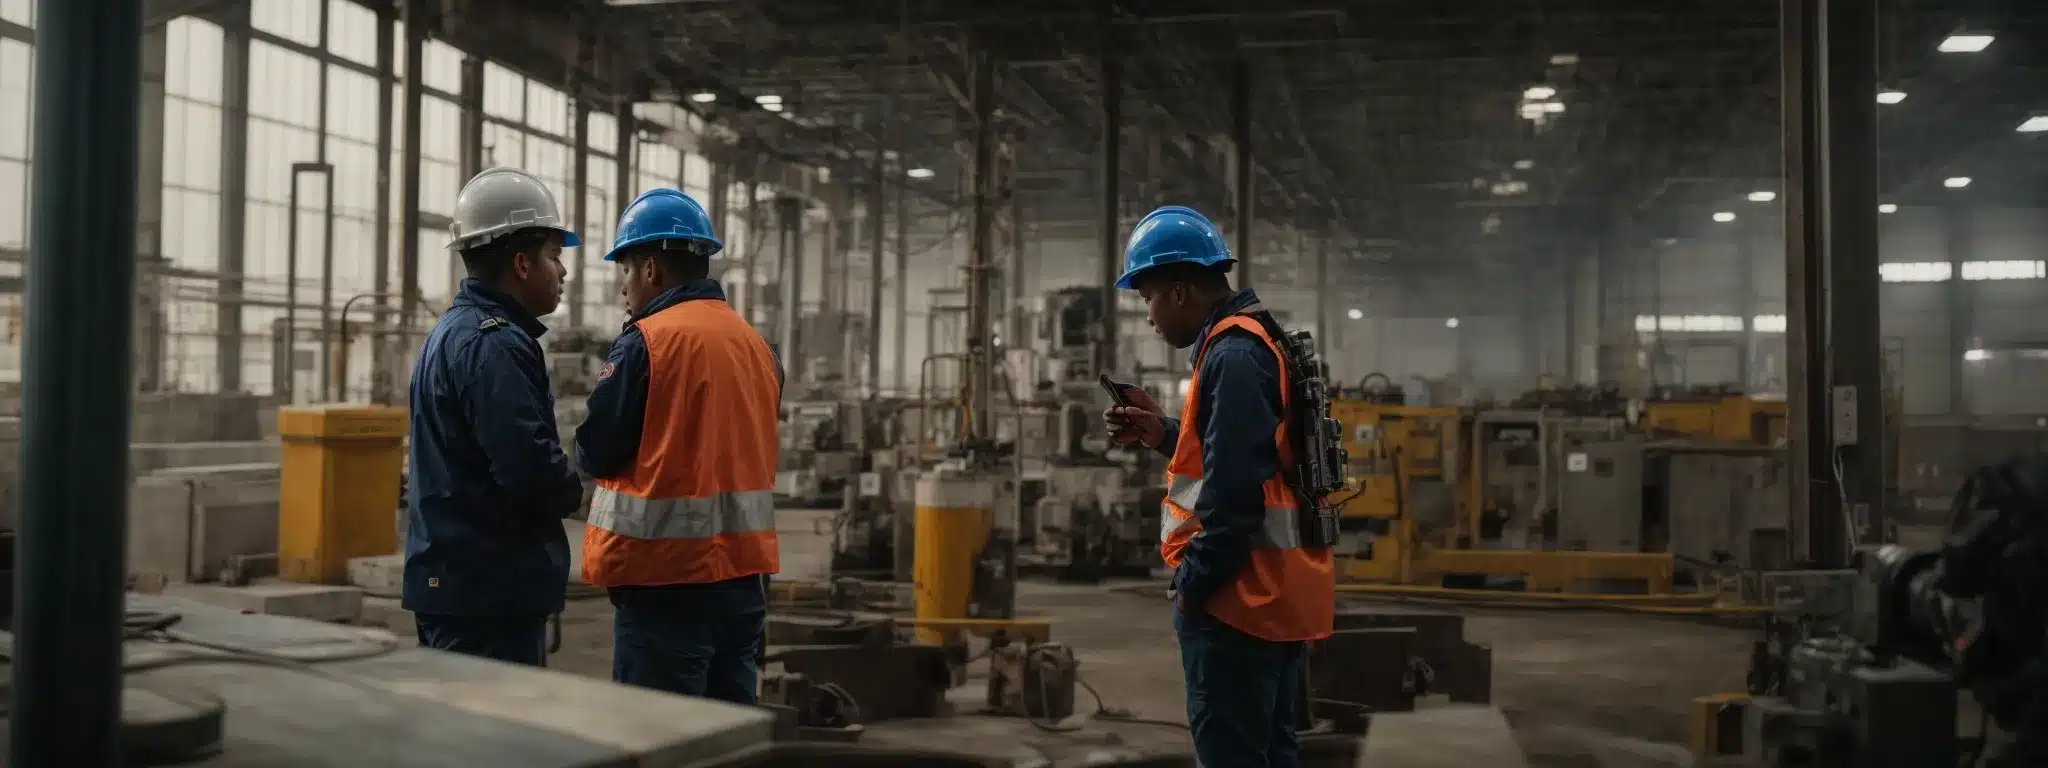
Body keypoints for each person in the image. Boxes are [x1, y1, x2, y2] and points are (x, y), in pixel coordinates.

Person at [1102, 206, 1336, 768]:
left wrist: (1192, 584)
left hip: (1238, 602)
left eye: (1149, 296)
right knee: (1272, 752)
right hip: (1273, 596)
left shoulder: (1231, 355)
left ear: (1180, 291)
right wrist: (1162, 433)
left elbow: (1233, 498)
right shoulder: (1251, 341)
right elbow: (1245, 457)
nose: (1149, 316)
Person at [574, 188, 783, 703]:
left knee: (660, 736)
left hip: (664, 583)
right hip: (742, 584)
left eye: (625, 271)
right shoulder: (759, 348)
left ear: (650, 269)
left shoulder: (647, 342)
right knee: (730, 740)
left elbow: (596, 450)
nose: (624, 288)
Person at [404, 166, 586, 666]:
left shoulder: (453, 332)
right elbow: (527, 469)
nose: (564, 272)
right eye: (555, 256)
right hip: (487, 590)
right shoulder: (496, 344)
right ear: (523, 264)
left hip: (459, 581)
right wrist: (577, 488)